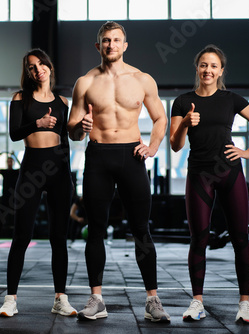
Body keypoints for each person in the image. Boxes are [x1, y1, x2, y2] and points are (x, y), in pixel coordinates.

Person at [67, 21, 170, 322]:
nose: (111, 45)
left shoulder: (142, 80)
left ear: (125, 45)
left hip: (131, 156)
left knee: (141, 230)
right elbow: (72, 130)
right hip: (98, 156)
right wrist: (79, 128)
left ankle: (152, 301)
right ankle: (96, 299)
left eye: (116, 40)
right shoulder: (84, 82)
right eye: (105, 40)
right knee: (95, 230)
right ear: (98, 46)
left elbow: (160, 118)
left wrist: (151, 146)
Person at [169, 44, 249, 324]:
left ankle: (244, 303)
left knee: (240, 238)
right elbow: (175, 145)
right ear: (197, 68)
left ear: (221, 71)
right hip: (199, 175)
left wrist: (248, 152)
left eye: (214, 66)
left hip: (230, 172)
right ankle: (197, 302)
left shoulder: (231, 99)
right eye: (204, 64)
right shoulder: (182, 101)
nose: (208, 70)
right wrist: (185, 124)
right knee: (198, 239)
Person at [0, 48, 76, 318]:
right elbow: (14, 133)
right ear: (28, 72)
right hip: (31, 169)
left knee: (59, 239)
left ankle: (60, 298)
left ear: (49, 67)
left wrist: (83, 126)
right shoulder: (21, 98)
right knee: (21, 236)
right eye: (31, 66)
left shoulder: (64, 102)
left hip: (59, 171)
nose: (37, 69)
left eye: (41, 64)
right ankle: (10, 299)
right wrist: (38, 123)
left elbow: (70, 138)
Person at [0, 153, 20, 248]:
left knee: (17, 219)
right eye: (8, 161)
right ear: (6, 163)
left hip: (14, 199)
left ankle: (18, 238)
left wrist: (15, 156)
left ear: (13, 162)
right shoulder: (5, 172)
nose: (9, 162)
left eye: (11, 161)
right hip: (5, 198)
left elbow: (23, 166)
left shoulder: (16, 171)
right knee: (1, 219)